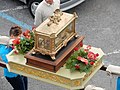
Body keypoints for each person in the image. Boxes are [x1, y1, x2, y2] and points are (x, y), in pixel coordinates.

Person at [0, 26, 28, 90]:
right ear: (12, 36)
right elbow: (9, 61)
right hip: (12, 74)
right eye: (18, 37)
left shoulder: (20, 42)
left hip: (21, 71)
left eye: (20, 36)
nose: (20, 39)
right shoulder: (4, 50)